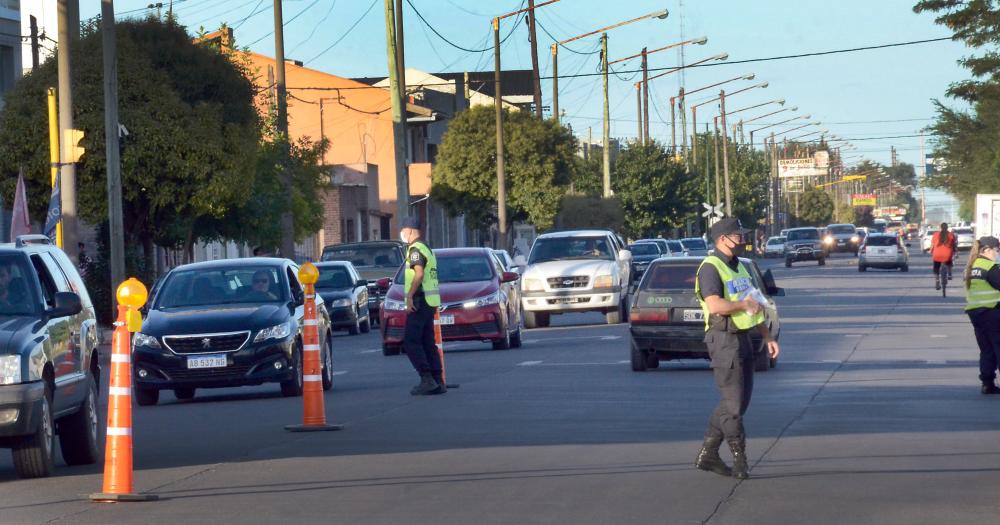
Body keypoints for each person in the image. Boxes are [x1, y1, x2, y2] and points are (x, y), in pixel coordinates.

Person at [693, 218, 780, 480]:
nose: (743, 240)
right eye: (738, 236)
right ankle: (739, 459)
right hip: (723, 339)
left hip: (743, 338)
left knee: (738, 403)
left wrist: (767, 336)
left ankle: (708, 453)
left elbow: (754, 303)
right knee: (733, 406)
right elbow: (716, 305)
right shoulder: (710, 268)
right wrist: (743, 307)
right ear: (722, 239)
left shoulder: (739, 267)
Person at [400, 217, 444, 396]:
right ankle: (437, 379)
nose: (402, 234)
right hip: (430, 301)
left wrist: (409, 296)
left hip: (420, 300)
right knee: (427, 342)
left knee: (410, 342)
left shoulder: (416, 249)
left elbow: (418, 274)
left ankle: (426, 379)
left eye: (403, 230)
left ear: (409, 231)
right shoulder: (427, 248)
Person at [963, 236, 1000, 394]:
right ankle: (988, 383)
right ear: (986, 250)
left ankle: (987, 383)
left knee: (987, 349)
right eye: (996, 251)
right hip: (992, 311)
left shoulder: (971, 267)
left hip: (975, 312)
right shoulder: (990, 267)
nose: (997, 254)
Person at [931, 223, 957, 289]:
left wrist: (931, 251)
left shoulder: (936, 234)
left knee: (936, 267)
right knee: (949, 262)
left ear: (941, 227)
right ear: (947, 227)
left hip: (937, 255)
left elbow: (932, 245)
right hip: (947, 255)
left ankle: (937, 280)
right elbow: (954, 245)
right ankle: (949, 274)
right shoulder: (951, 235)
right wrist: (954, 251)